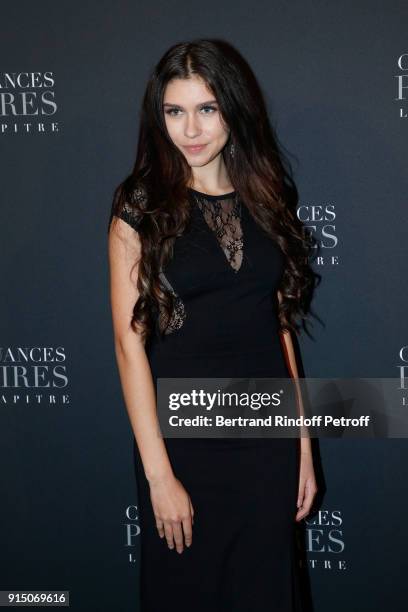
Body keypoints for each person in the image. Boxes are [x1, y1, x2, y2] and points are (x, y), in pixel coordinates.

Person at [108, 38, 320, 612]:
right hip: (184, 440)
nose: (191, 129)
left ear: (233, 109)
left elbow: (279, 325)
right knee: (189, 590)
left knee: (266, 590)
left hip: (265, 436)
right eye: (175, 111)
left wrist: (302, 444)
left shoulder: (266, 195)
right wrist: (159, 477)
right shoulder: (141, 206)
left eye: (207, 109)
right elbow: (131, 347)